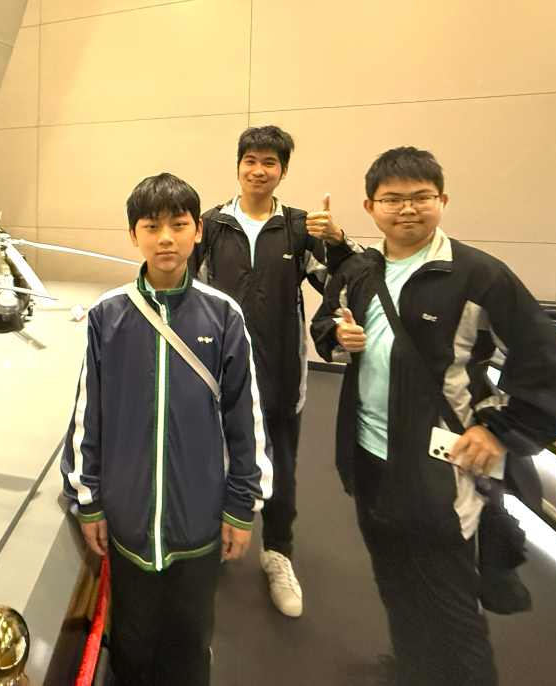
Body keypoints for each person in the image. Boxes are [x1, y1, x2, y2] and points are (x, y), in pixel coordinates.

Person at [310, 147, 556, 685]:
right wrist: (339, 336)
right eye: (392, 199)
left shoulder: (479, 275)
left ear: (442, 200)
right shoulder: (361, 269)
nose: (407, 209)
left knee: (448, 596)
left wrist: (498, 429)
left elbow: (546, 360)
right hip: (368, 451)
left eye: (421, 197)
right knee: (392, 575)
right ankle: (412, 669)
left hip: (439, 462)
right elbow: (323, 326)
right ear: (370, 206)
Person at [60, 173, 271, 686]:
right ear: (134, 235)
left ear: (197, 230)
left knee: (190, 639)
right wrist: (89, 500)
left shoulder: (223, 315)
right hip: (128, 518)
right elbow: (89, 415)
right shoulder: (107, 315)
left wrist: (241, 506)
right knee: (131, 640)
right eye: (151, 226)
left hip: (199, 517)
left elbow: (245, 418)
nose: (166, 239)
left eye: (178, 225)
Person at [191, 124, 358, 616]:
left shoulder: (301, 227)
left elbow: (349, 278)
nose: (258, 170)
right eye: (251, 160)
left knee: (281, 469)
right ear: (238, 166)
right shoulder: (211, 225)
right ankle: (210, 543)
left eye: (270, 162)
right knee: (212, 461)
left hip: (282, 369)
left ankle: (278, 553)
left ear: (283, 171)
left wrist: (338, 240)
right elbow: (186, 288)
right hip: (218, 371)